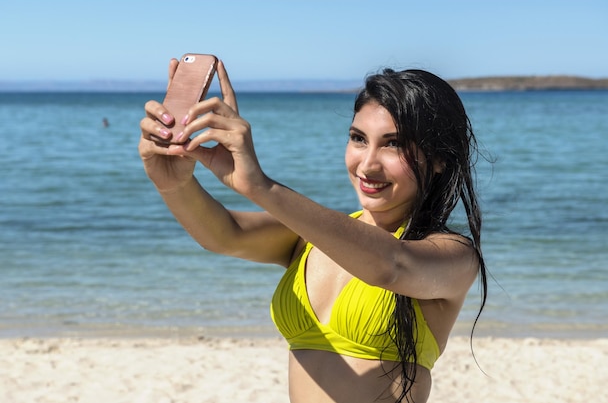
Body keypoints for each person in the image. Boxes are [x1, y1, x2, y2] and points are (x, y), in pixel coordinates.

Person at [138, 59, 487, 403]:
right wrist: (173, 185)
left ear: (440, 158)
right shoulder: (311, 238)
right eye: (358, 138)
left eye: (393, 144)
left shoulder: (453, 255)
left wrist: (260, 187)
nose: (367, 164)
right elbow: (225, 234)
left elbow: (391, 265)